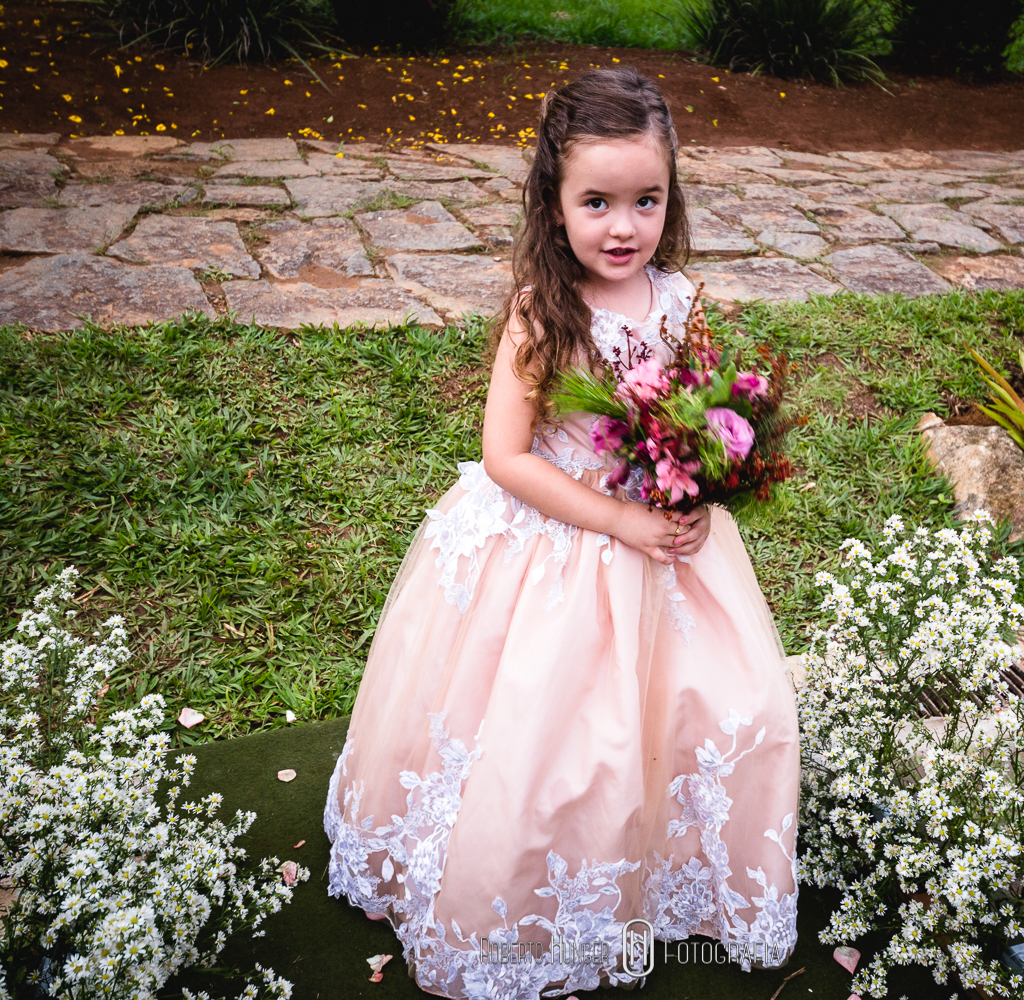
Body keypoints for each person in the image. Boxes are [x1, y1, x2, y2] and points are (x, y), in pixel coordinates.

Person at [323, 67, 800, 1000]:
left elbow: (698, 408)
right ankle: (529, 903)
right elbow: (507, 456)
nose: (623, 226)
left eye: (646, 201)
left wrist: (706, 474)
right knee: (562, 737)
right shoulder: (544, 312)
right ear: (553, 201)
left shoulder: (680, 299)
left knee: (717, 707)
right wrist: (620, 517)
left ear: (671, 198)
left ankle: (674, 876)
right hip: (559, 541)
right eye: (597, 202)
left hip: (665, 548)